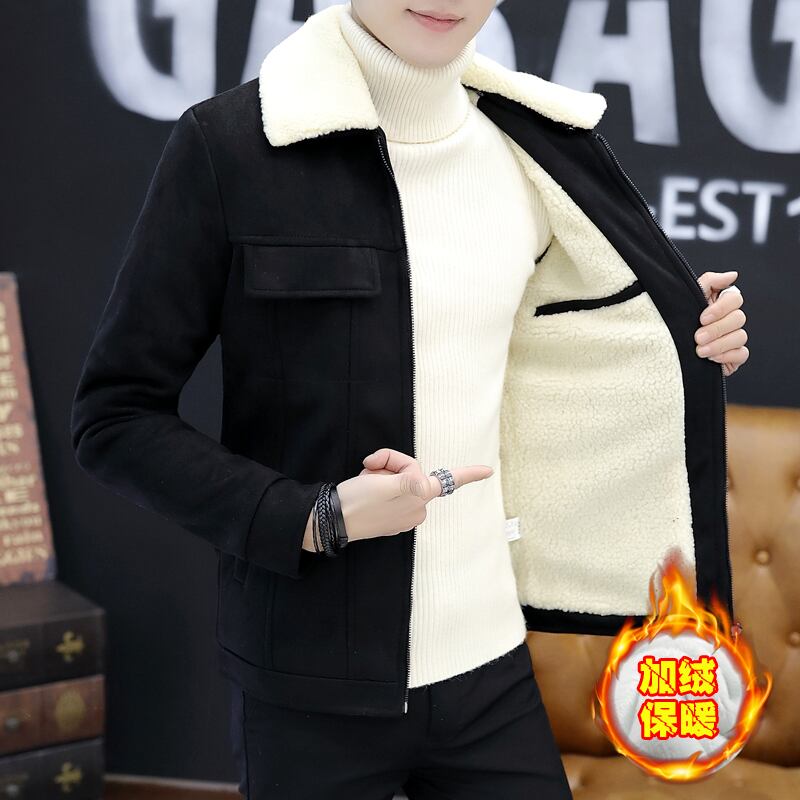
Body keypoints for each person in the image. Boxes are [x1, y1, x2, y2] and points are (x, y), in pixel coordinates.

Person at [71, 1, 749, 797]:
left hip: (492, 671)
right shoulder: (232, 148)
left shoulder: (537, 150)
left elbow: (563, 349)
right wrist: (313, 517)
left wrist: (683, 338)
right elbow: (114, 417)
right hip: (307, 688)